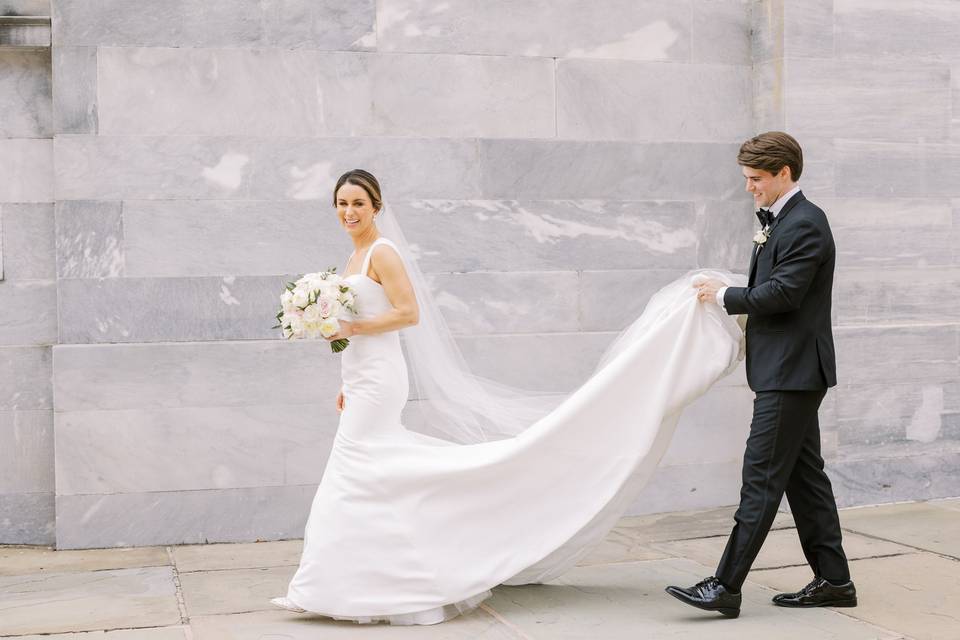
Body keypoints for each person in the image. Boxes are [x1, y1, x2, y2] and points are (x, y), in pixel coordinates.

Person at [270, 169, 747, 625]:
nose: (349, 211)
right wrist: (346, 373)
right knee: (371, 471)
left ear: (376, 207)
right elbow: (360, 330)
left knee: (355, 470)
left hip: (380, 381)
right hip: (362, 378)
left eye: (358, 203)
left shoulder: (382, 252)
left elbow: (407, 313)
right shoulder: (353, 257)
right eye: (341, 203)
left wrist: (352, 328)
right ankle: (381, 574)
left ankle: (355, 582)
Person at [668, 132, 856, 618]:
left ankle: (724, 586)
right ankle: (835, 581)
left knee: (761, 478)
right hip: (787, 369)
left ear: (783, 174)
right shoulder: (785, 220)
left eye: (756, 179)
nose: (749, 188)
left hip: (792, 372)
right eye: (747, 178)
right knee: (803, 479)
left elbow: (784, 294)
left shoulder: (807, 223)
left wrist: (726, 296)